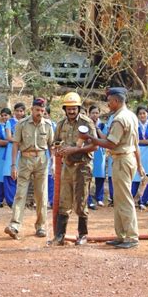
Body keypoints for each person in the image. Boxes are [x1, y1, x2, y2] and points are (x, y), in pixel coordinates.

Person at [79, 87, 143, 249]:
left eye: (109, 101)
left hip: (122, 159)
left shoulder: (119, 119)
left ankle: (131, 236)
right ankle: (122, 235)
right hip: (126, 158)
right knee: (119, 198)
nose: (107, 104)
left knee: (124, 199)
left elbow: (111, 143)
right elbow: (134, 143)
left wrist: (90, 138)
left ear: (116, 101)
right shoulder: (131, 116)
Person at [50, 92, 98, 246]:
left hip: (82, 166)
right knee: (64, 201)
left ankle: (82, 235)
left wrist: (74, 150)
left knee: (81, 201)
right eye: (68, 108)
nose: (71, 111)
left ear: (78, 108)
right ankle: (59, 236)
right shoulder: (61, 124)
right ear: (65, 109)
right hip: (67, 167)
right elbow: (55, 143)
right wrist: (58, 150)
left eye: (74, 108)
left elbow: (95, 145)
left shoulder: (87, 122)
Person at [4, 98, 54, 239]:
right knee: (20, 193)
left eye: (42, 111)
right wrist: (13, 165)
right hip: (25, 160)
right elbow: (15, 145)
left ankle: (41, 226)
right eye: (37, 110)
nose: (40, 113)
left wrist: (54, 163)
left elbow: (51, 146)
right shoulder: (22, 124)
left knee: (41, 195)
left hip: (42, 161)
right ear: (32, 109)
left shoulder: (48, 126)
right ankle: (15, 225)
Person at [2, 103, 26, 207]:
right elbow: (8, 137)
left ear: (24, 112)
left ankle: (20, 201)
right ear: (14, 111)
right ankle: (11, 201)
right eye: (17, 111)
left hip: (24, 150)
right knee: (9, 174)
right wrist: (19, 142)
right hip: (11, 149)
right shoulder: (9, 122)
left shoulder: (27, 122)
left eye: (21, 111)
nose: (19, 113)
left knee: (22, 175)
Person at [133, 106, 148, 209]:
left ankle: (144, 200)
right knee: (135, 176)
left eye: (144, 113)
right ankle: (134, 199)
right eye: (140, 113)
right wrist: (140, 142)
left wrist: (138, 141)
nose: (142, 115)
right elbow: (133, 140)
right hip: (137, 151)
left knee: (147, 176)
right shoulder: (134, 125)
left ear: (147, 114)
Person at [88, 105, 108, 209]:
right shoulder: (86, 124)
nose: (94, 115)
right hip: (89, 150)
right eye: (93, 113)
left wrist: (97, 128)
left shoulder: (103, 125)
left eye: (96, 113)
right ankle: (88, 199)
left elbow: (105, 138)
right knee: (88, 175)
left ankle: (99, 198)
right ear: (89, 114)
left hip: (100, 151)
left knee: (100, 175)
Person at [0, 108, 11, 207]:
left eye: (6, 115)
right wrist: (11, 143)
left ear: (10, 116)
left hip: (11, 154)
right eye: (2, 115)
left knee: (10, 175)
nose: (4, 117)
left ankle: (10, 200)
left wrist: (5, 143)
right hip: (0, 154)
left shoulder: (14, 125)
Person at [43, 106, 57, 208]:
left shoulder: (54, 125)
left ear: (49, 115)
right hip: (41, 155)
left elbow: (55, 142)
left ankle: (51, 201)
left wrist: (54, 156)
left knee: (51, 177)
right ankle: (43, 201)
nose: (43, 116)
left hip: (52, 154)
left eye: (45, 114)